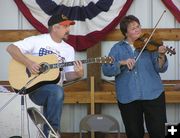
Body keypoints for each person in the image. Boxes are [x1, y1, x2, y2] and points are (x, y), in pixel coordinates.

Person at [7, 14, 84, 137]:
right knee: (57, 91)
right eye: (65, 26)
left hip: (55, 92)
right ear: (55, 27)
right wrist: (29, 63)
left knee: (57, 91)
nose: (68, 30)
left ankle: (47, 133)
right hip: (34, 88)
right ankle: (52, 131)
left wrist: (78, 74)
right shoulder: (38, 40)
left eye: (69, 26)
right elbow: (11, 48)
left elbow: (67, 76)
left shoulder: (68, 49)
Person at [102, 15, 168, 138]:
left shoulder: (151, 46)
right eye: (133, 28)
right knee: (134, 133)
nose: (137, 30)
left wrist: (161, 56)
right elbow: (106, 70)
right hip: (128, 96)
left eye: (138, 26)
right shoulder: (117, 48)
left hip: (153, 94)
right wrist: (122, 63)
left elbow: (161, 68)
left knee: (159, 132)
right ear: (126, 33)